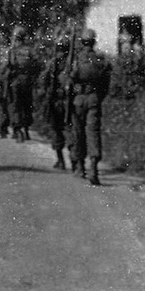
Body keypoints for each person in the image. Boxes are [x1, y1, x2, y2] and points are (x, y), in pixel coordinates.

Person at [71, 28, 112, 186]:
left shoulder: (76, 59)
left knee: (78, 133)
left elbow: (69, 79)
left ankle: (80, 167)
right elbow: (106, 83)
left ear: (82, 42)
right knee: (93, 133)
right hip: (94, 99)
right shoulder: (100, 59)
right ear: (94, 42)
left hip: (79, 100)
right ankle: (93, 168)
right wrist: (99, 97)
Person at [39, 35, 72, 170]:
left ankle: (61, 160)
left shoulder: (53, 63)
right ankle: (75, 161)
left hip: (56, 101)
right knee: (71, 130)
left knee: (57, 130)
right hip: (69, 101)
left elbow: (43, 80)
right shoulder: (72, 62)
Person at [3, 26, 41, 143]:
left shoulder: (12, 51)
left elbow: (8, 66)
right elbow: (37, 65)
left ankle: (18, 129)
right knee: (27, 105)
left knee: (16, 106)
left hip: (15, 81)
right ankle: (26, 130)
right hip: (28, 82)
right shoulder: (30, 50)